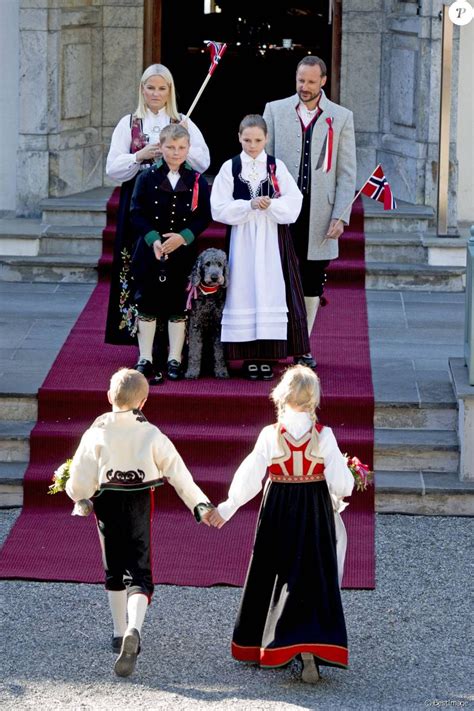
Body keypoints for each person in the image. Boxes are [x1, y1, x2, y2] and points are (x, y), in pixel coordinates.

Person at [207, 365, 354, 683]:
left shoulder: (270, 435)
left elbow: (250, 477)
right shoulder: (324, 435)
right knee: (313, 573)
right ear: (313, 399)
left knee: (274, 571)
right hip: (313, 508)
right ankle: (310, 645)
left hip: (278, 509)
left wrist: (228, 507)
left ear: (282, 396)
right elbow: (342, 482)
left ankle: (269, 642)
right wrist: (340, 497)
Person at [65, 368, 214, 677]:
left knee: (113, 567)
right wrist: (199, 504)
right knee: (139, 571)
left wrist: (79, 495)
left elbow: (79, 481)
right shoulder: (152, 434)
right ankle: (135, 627)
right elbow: (177, 472)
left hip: (106, 504)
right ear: (144, 402)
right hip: (138, 504)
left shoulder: (96, 433)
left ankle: (119, 632)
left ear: (109, 397)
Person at [104, 63, 210, 351]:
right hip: (140, 202)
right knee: (139, 264)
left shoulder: (182, 121)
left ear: (170, 91)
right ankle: (139, 337)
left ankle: (173, 341)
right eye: (150, 87)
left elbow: (204, 161)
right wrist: (139, 155)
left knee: (174, 267)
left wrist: (177, 150)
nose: (156, 93)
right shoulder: (129, 123)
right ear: (142, 89)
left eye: (162, 88)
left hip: (175, 201)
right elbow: (112, 168)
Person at [263, 56, 357, 369]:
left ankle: (304, 346)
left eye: (311, 82)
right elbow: (265, 162)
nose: (304, 87)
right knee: (278, 277)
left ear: (323, 82)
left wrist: (341, 215)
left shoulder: (341, 117)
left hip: (321, 212)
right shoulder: (275, 110)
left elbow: (346, 172)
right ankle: (276, 344)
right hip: (283, 210)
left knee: (313, 280)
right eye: (301, 80)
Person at [210, 114, 310, 381]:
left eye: (257, 140)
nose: (252, 145)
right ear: (238, 138)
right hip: (241, 239)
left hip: (271, 239)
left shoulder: (276, 167)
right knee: (243, 290)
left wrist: (272, 206)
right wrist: (248, 205)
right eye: (246, 140)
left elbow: (294, 200)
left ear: (266, 138)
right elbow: (217, 206)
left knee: (270, 290)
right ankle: (247, 357)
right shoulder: (230, 168)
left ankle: (267, 356)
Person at [129, 123, 211, 383]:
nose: (176, 152)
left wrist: (183, 237)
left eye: (181, 148)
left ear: (188, 149)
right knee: (147, 301)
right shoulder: (147, 177)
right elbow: (136, 212)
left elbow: (204, 217)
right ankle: (146, 358)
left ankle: (175, 357)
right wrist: (153, 239)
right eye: (170, 147)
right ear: (160, 147)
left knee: (178, 303)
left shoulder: (197, 180)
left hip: (182, 251)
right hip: (151, 250)